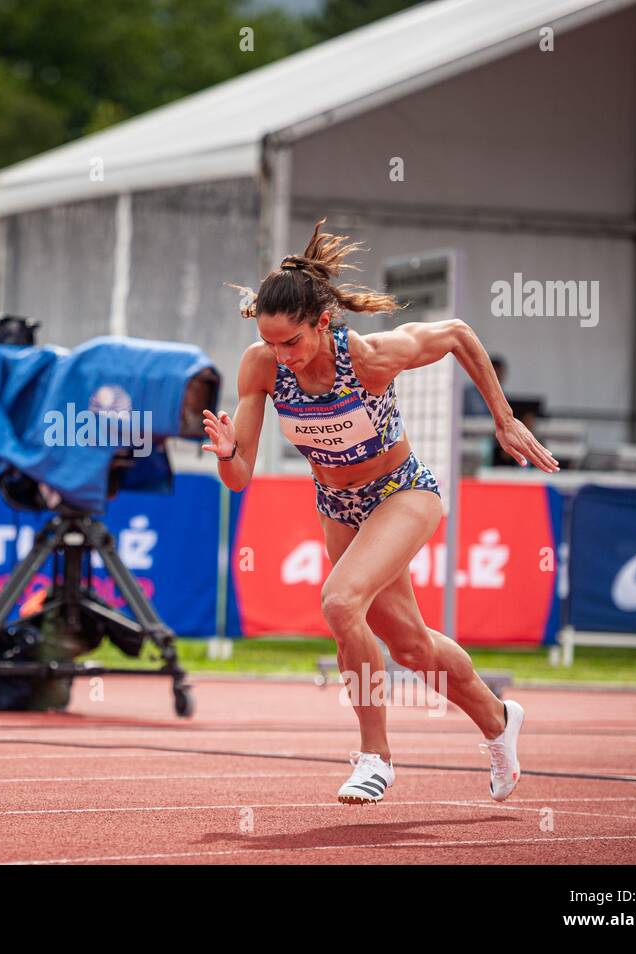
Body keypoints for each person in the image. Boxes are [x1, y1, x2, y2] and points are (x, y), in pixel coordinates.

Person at [205, 220, 558, 804]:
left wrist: (502, 417)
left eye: (291, 342)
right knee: (411, 647)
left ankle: (375, 757)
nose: (281, 355)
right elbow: (239, 479)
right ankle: (499, 720)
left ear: (321, 322)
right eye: (270, 342)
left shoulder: (367, 358)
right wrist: (226, 455)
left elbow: (458, 335)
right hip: (338, 506)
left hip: (401, 492)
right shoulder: (261, 368)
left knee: (340, 602)